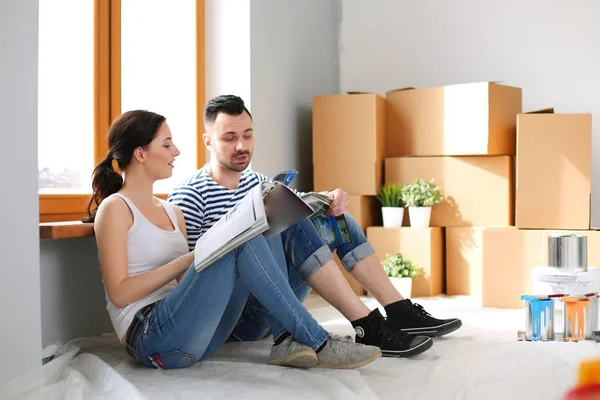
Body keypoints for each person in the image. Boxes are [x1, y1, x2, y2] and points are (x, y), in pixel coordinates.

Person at [85, 109, 383, 370]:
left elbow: (186, 291)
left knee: (259, 226)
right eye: (166, 144)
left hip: (198, 335)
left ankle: (288, 336)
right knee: (240, 238)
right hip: (152, 338)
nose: (176, 151)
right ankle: (315, 340)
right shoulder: (115, 208)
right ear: (140, 153)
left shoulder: (172, 212)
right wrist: (190, 260)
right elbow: (120, 294)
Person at [168, 95, 462, 358]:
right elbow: (186, 282)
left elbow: (300, 214)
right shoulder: (190, 195)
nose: (242, 146)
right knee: (275, 231)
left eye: (247, 135)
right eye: (229, 138)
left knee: (335, 219)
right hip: (235, 318)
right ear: (208, 141)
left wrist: (329, 199)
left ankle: (398, 311)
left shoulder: (256, 181)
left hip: (275, 302)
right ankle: (367, 325)